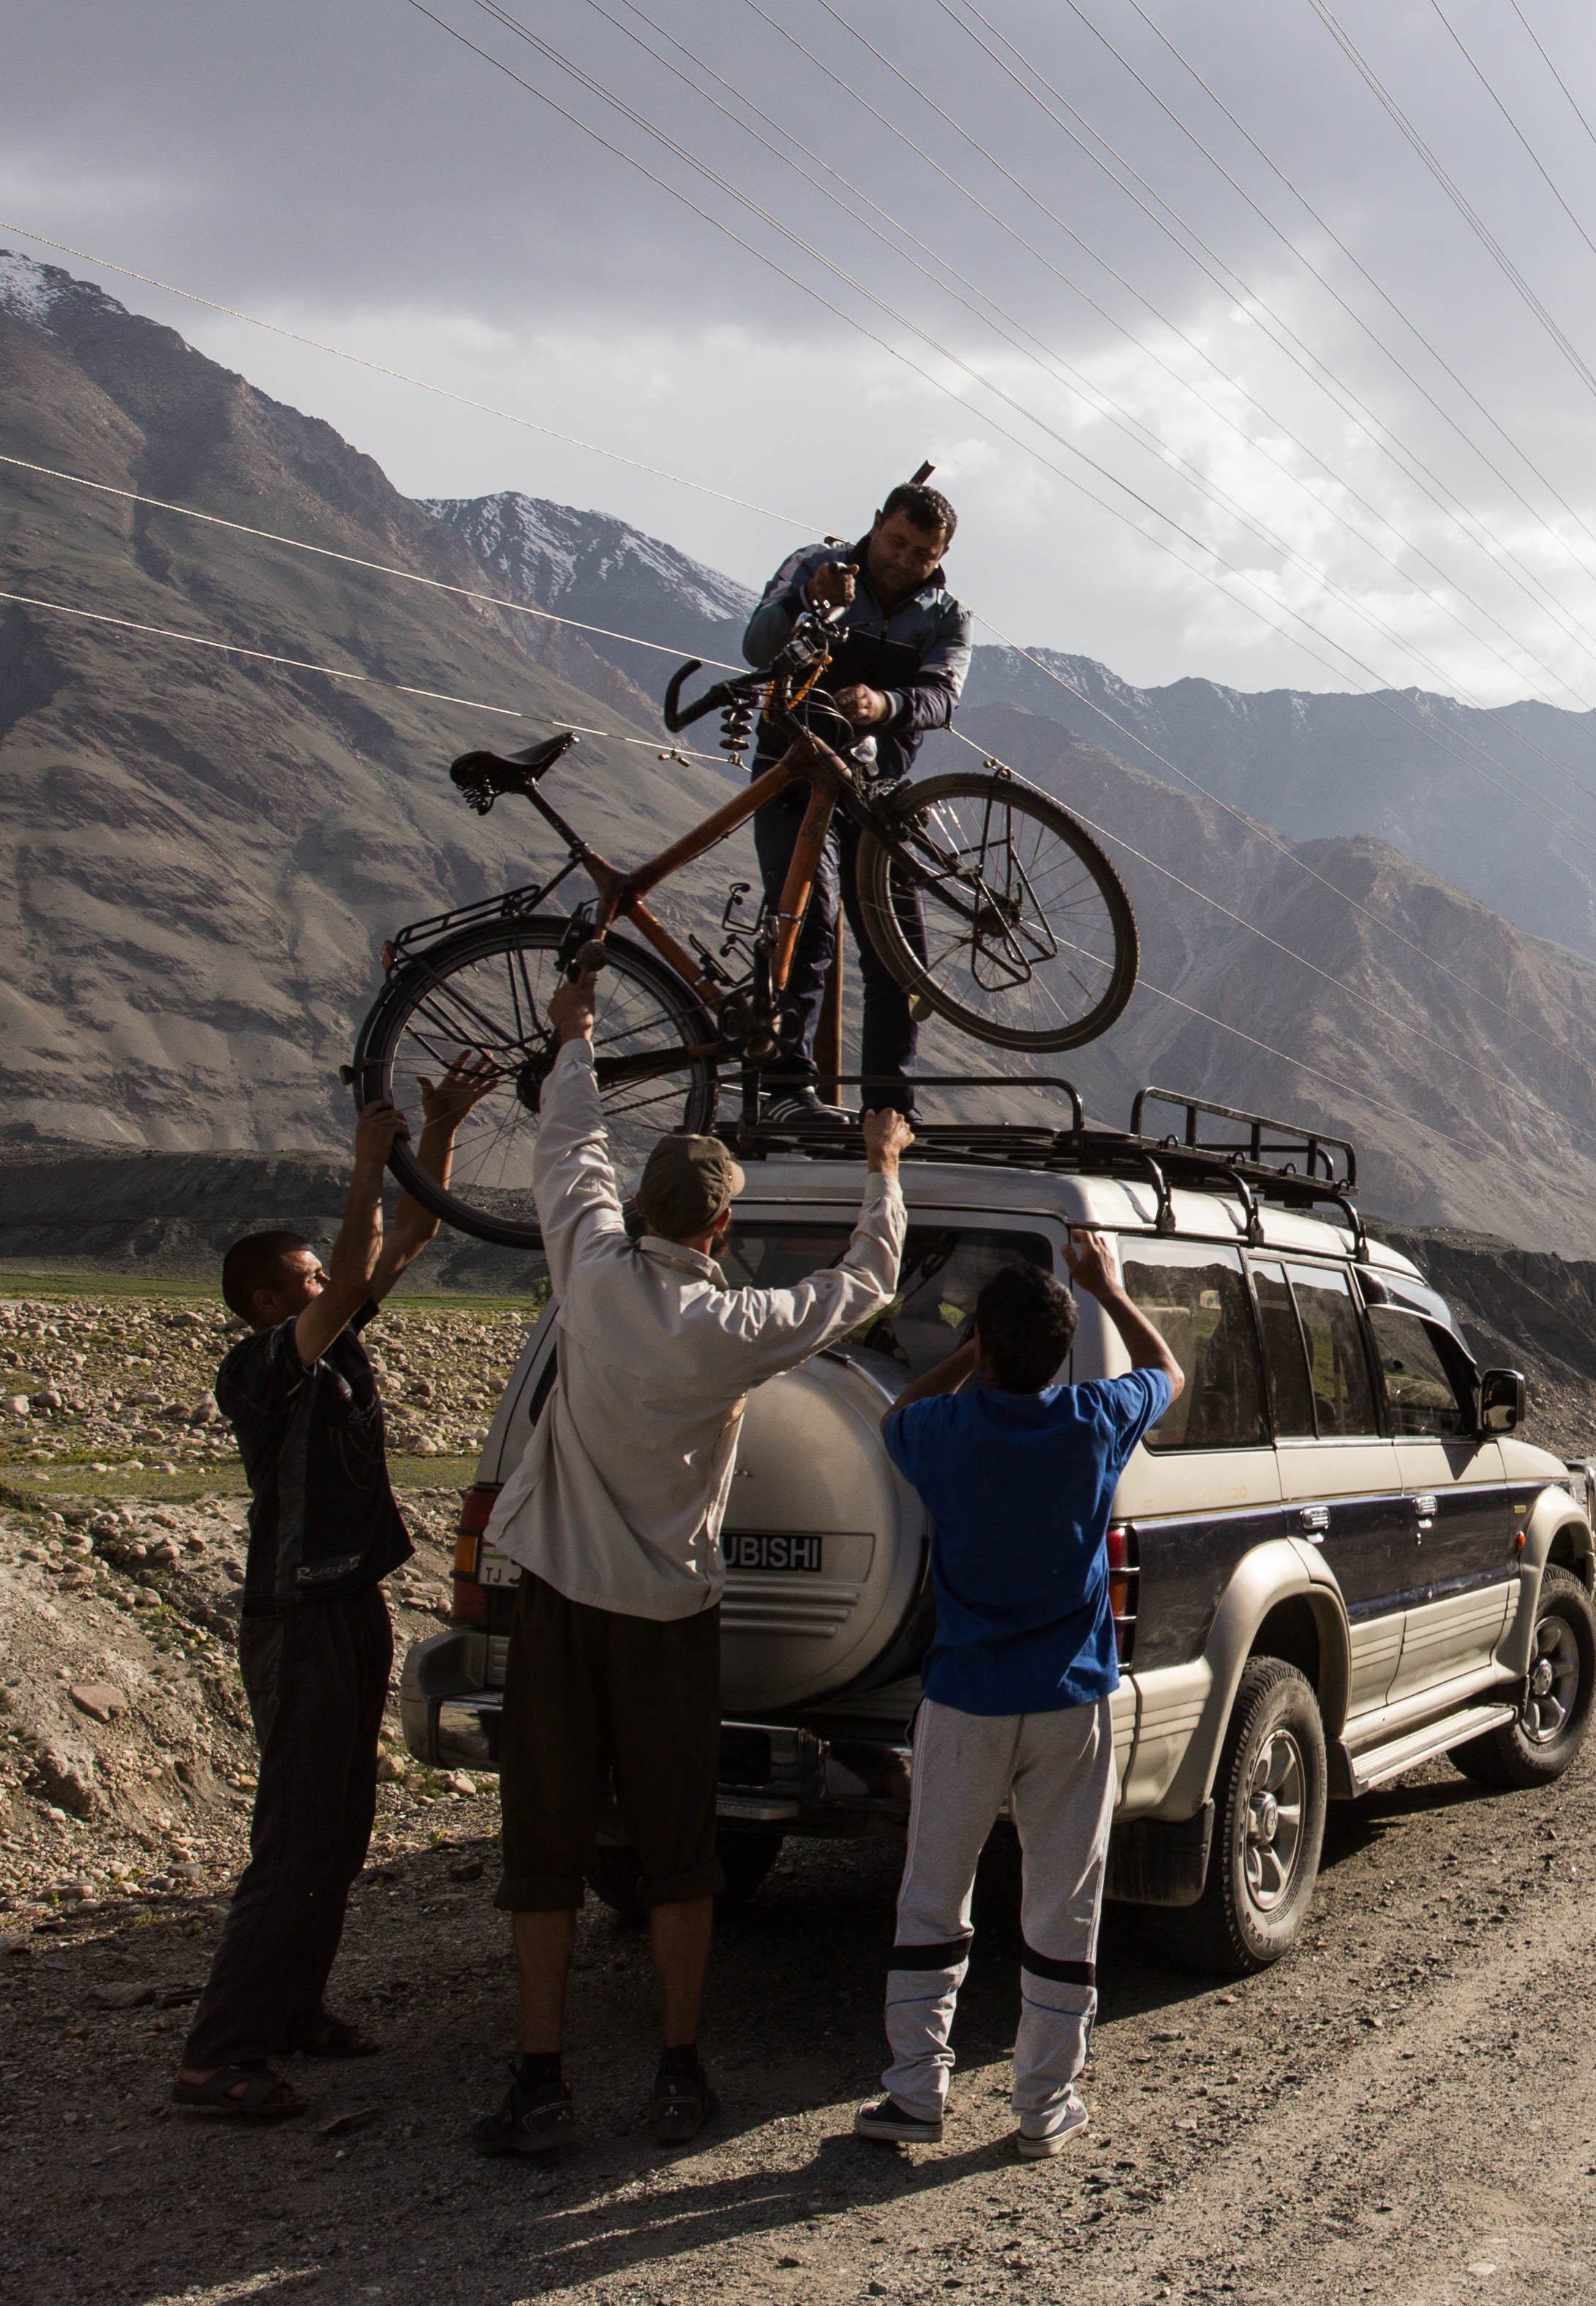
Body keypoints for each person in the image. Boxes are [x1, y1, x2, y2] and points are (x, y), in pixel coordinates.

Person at [472, 957, 915, 2157]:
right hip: (671, 1617)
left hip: (559, 1607)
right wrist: (881, 1170)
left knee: (547, 1848)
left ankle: (540, 2072)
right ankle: (677, 2067)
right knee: (678, 1851)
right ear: (719, 1226)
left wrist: (576, 1032)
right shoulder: (734, 1331)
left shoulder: (589, 1274)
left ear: (642, 1207)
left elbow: (569, 1151)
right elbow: (863, 1287)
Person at [171, 1054, 498, 2122]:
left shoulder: (334, 1342)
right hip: (298, 1613)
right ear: (270, 1300)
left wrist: (433, 1136)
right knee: (296, 1834)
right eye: (308, 1282)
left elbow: (409, 1239)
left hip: (347, 1601)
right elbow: (357, 1268)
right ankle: (217, 2053)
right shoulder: (267, 1364)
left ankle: (291, 2014)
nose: (327, 1289)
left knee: (341, 1824)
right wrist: (365, 1164)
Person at [850, 1225, 1178, 2161]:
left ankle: (915, 2091)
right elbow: (1166, 1370)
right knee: (1063, 1903)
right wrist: (1107, 1288)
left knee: (932, 1898)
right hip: (1070, 1699)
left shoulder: (942, 1431)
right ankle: (1044, 2105)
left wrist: (969, 1352)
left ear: (988, 1349)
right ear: (1063, 1353)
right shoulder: (1094, 1423)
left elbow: (898, 1410)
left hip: (962, 1700)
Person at [742, 471, 971, 1116]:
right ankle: (785, 1094)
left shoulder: (948, 618)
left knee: (899, 955)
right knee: (804, 927)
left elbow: (940, 698)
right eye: (895, 542)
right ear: (877, 523)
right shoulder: (816, 567)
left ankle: (889, 1111)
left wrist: (883, 703)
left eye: (921, 554)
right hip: (792, 773)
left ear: (943, 556)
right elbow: (757, 646)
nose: (903, 561)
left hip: (879, 794)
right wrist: (807, 601)